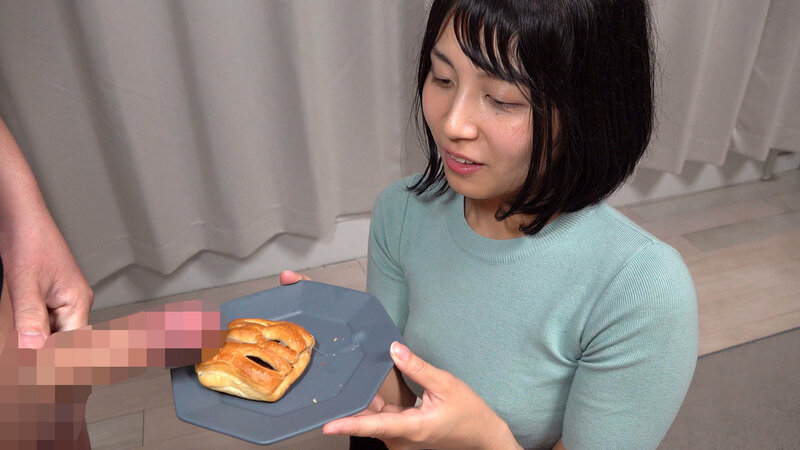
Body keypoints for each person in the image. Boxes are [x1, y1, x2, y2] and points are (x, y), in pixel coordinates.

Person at [282, 0, 699, 449]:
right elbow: (397, 394)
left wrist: (488, 440)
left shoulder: (640, 288)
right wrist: (346, 346)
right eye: (443, 78)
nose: (453, 123)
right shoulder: (401, 211)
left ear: (590, 108)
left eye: (502, 100)